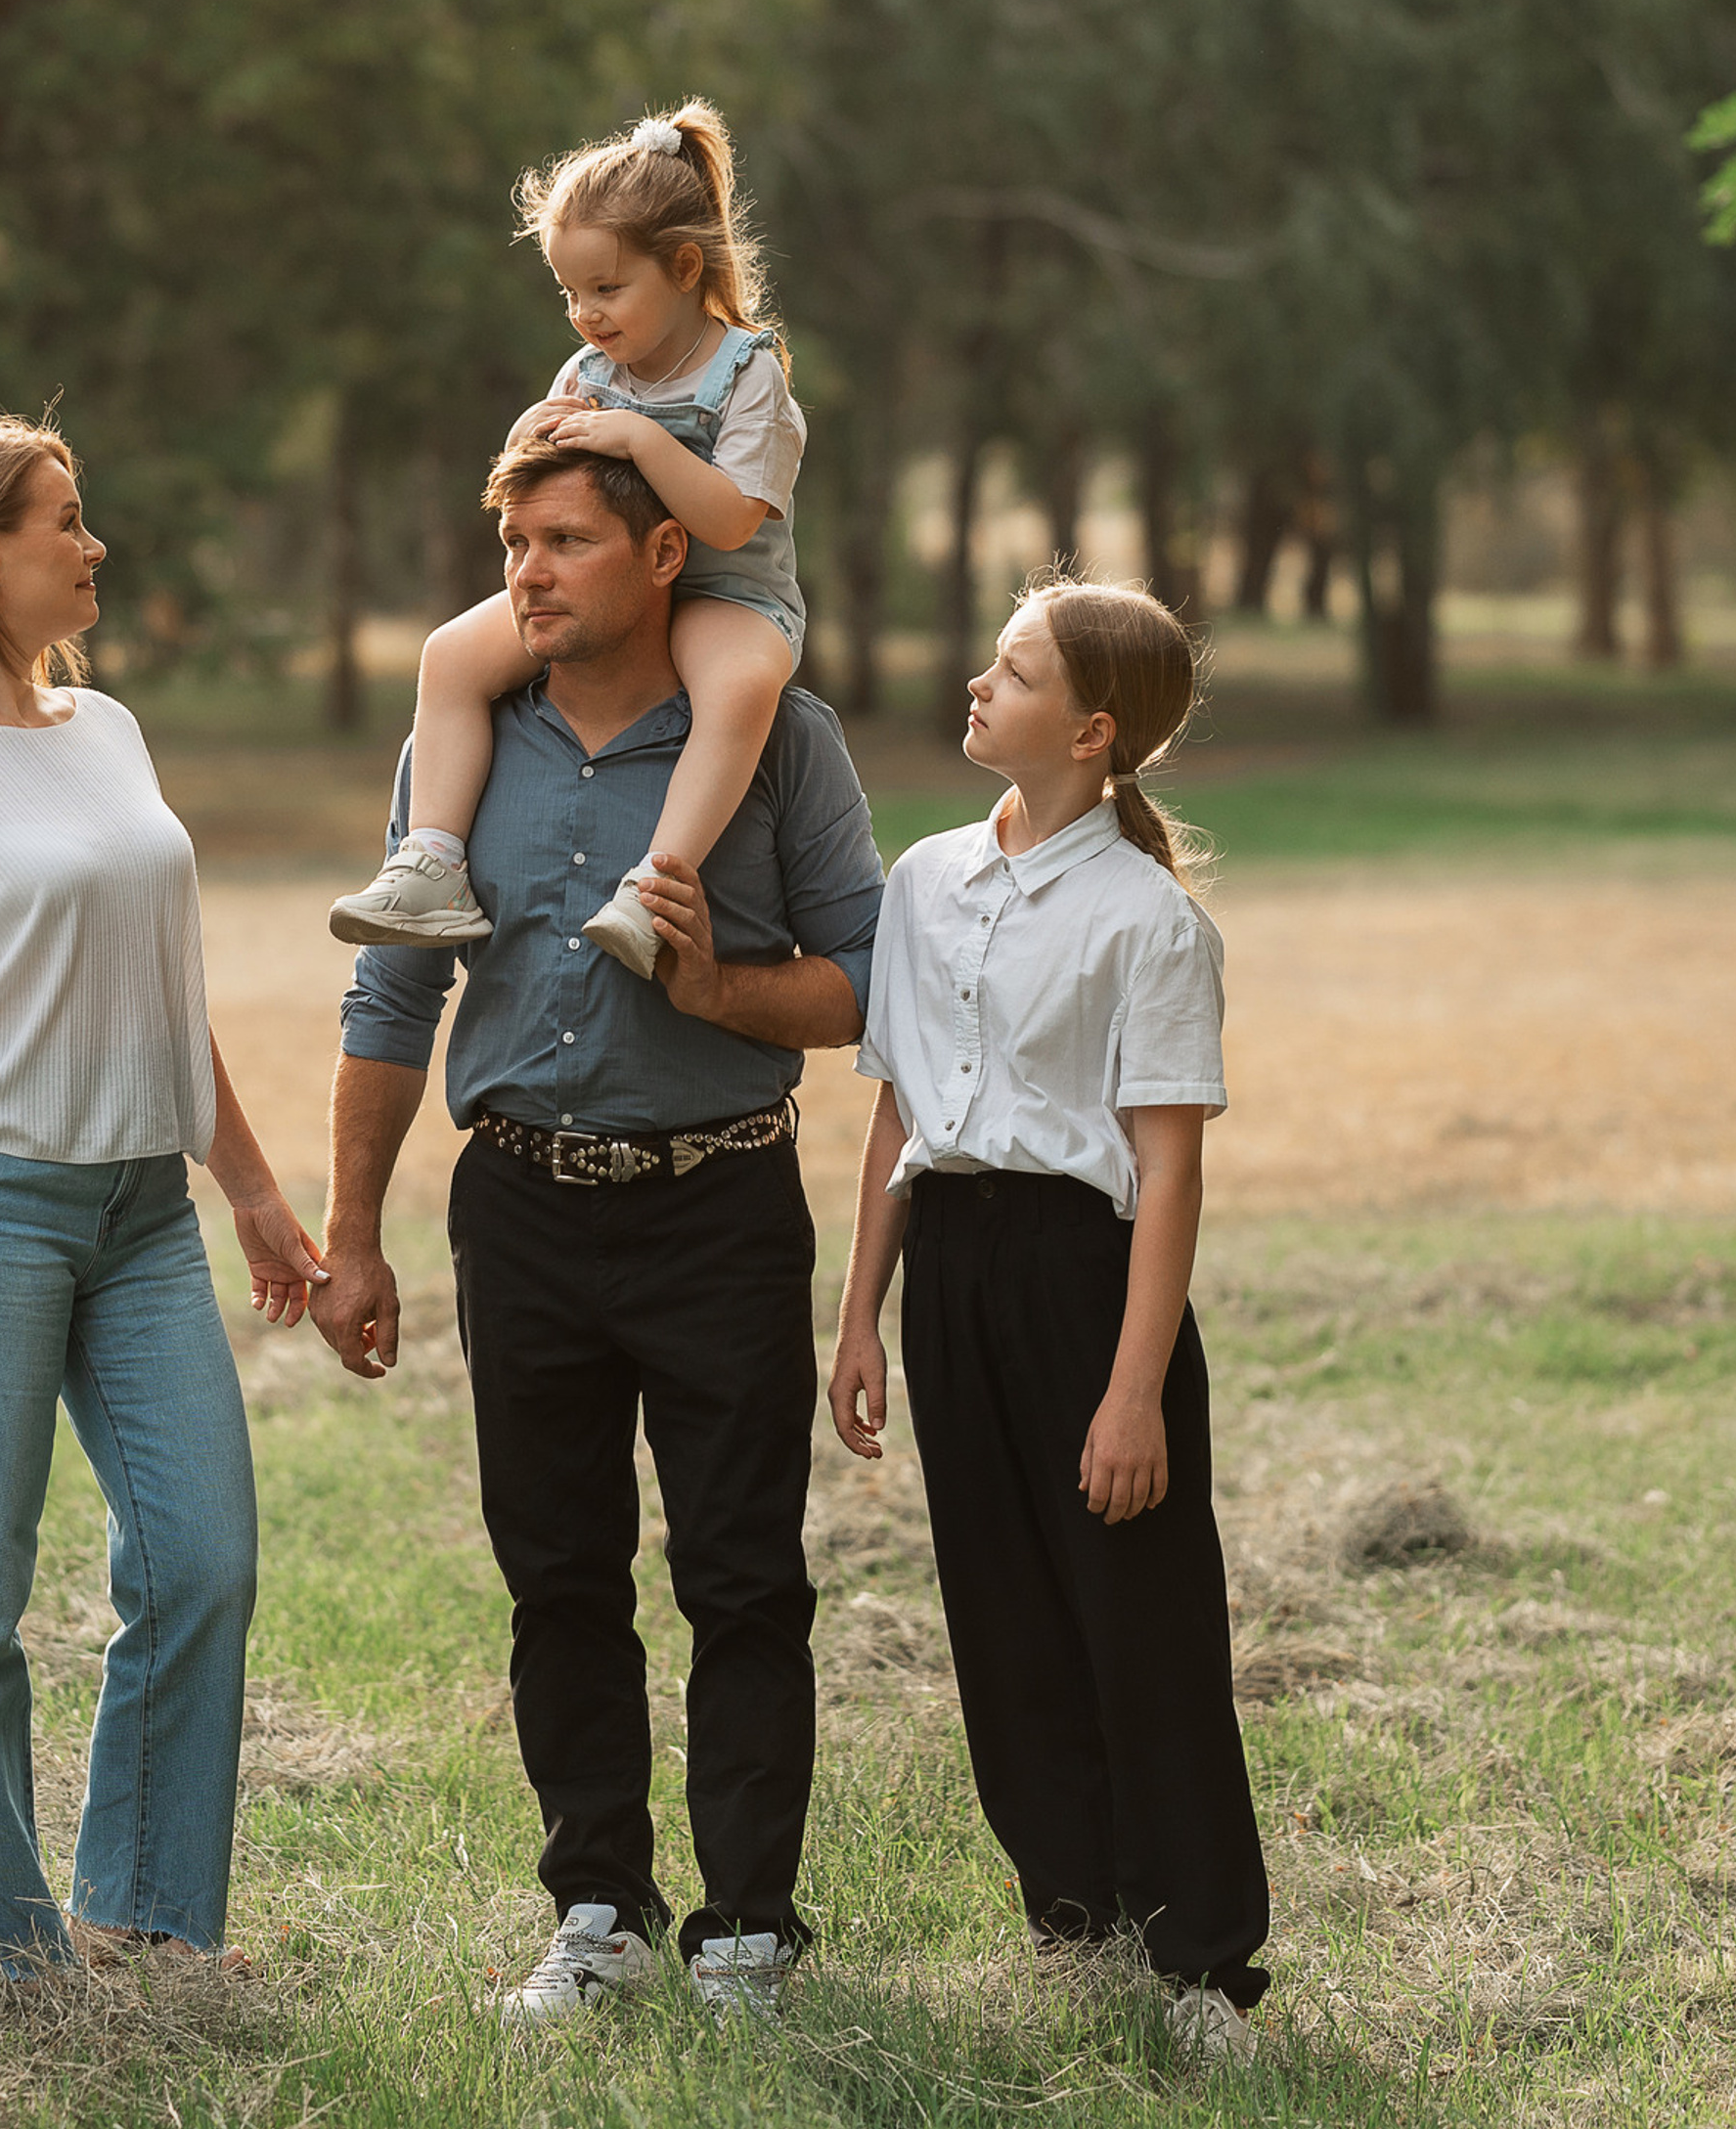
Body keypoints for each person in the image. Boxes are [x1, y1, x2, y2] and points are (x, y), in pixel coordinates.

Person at [319, 434, 882, 2022]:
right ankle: (599, 1913)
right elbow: (393, 992)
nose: (526, 573)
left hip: (721, 1205)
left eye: (563, 541)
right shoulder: (464, 744)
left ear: (659, 562)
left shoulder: (776, 740)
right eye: (514, 543)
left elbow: (863, 980)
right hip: (518, 1209)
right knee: (559, 1575)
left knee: (741, 1576)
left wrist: (716, 990)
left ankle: (749, 1930)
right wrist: (353, 1232)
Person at [0, 415, 324, 1975]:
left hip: (142, 1214)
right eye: (66, 520)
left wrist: (247, 1187)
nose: (93, 545)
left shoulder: (105, 728)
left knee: (202, 1559)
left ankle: (148, 1918)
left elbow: (163, 997)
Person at [826, 575, 1270, 2062]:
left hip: (1088, 1284)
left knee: (1138, 1624)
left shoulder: (1149, 922)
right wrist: (859, 1318)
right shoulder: (923, 879)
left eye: (1008, 674)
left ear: (1088, 731)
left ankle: (1201, 1964)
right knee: (1001, 1611)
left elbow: (1166, 1165)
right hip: (948, 1273)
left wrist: (1134, 1388)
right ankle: (1074, 1928)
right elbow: (897, 1115)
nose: (975, 686)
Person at [330, 101, 806, 980]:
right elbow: (532, 481)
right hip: (608, 593)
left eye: (607, 289)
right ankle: (433, 862)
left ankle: (653, 891)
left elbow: (734, 518)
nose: (585, 314)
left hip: (724, 593)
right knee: (449, 656)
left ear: (685, 267)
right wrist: (532, 432)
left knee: (739, 692)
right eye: (569, 293)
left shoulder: (748, 374)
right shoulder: (588, 374)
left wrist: (642, 440)